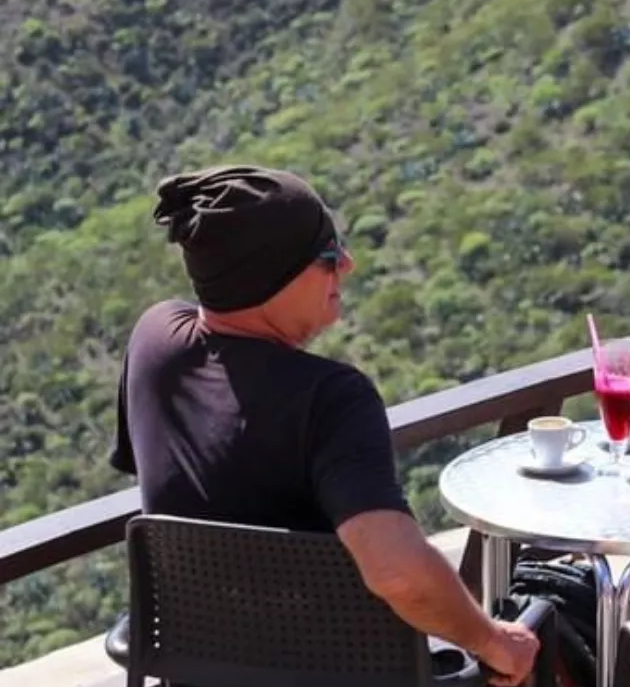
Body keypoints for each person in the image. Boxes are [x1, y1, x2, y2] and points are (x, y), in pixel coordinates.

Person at [112, 166, 539, 686]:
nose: (349, 265)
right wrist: (493, 640)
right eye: (329, 256)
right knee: (562, 610)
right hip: (340, 673)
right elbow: (397, 573)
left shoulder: (155, 343)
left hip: (204, 669)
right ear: (272, 277)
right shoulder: (332, 399)